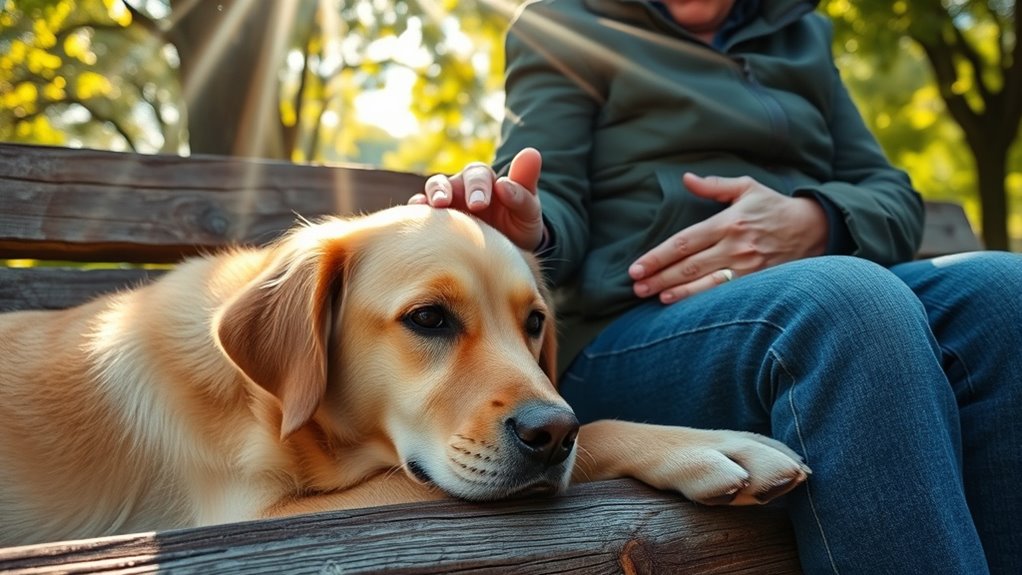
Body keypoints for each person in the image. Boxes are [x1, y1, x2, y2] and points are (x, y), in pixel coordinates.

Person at [409, 0, 1022, 572]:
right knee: (845, 305)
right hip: (635, 331)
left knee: (1005, 294)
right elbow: (551, 199)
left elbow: (890, 193)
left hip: (823, 289)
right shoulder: (567, 23)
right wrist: (529, 226)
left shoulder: (800, 28)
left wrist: (816, 219)